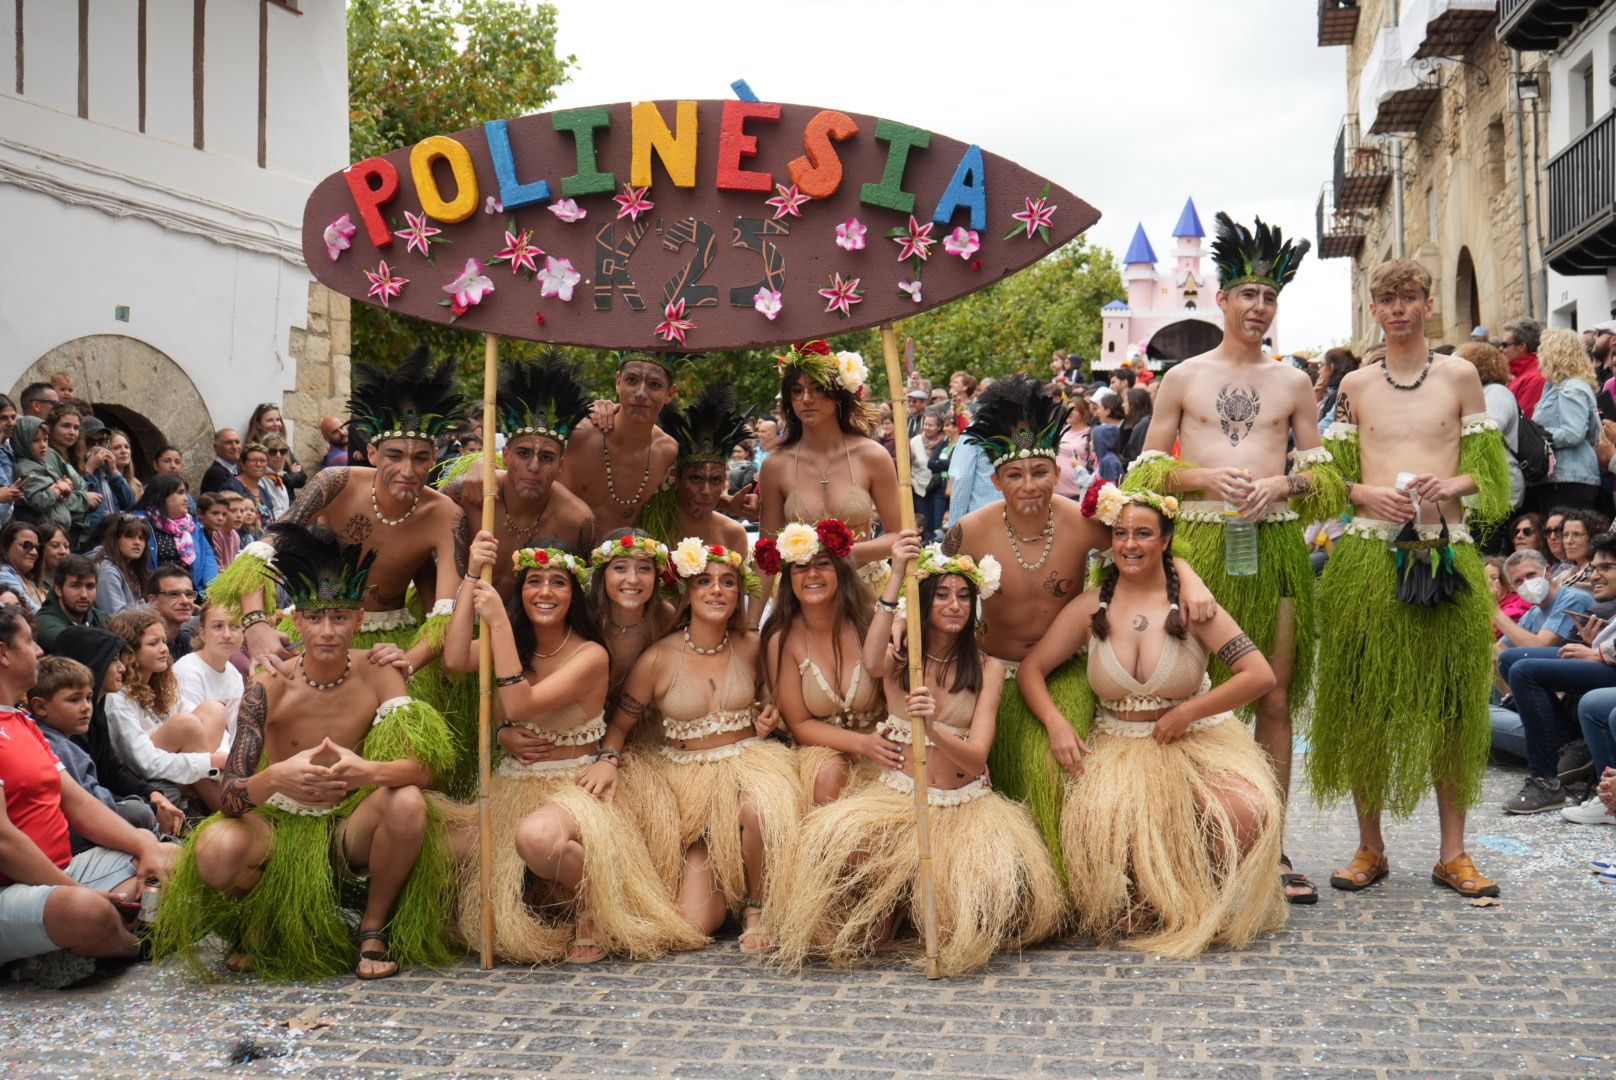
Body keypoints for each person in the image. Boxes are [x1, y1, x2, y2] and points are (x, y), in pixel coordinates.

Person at [1122, 211, 1329, 904]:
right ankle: (1186, 836)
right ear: (1222, 298)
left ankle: (1268, 842)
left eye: (1269, 297)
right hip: (1200, 549)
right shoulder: (1182, 377)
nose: (1258, 307)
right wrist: (1205, 478)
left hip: (1271, 544)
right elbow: (1142, 479)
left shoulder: (1295, 384)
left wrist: (1284, 481)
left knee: (1273, 692)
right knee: (1188, 690)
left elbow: (1328, 478)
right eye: (1247, 294)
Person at [151, 524, 458, 980]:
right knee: (215, 850)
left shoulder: (379, 670)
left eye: (339, 617)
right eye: (315, 618)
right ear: (297, 621)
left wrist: (366, 771)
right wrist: (278, 777)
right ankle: (265, 918)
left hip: (349, 826)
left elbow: (427, 769)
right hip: (278, 827)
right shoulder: (268, 684)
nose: (328, 631)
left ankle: (373, 927)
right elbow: (230, 795)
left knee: (407, 801)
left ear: (358, 620)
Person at [942, 373, 1216, 867]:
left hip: (1061, 673)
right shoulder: (967, 533)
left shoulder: (1086, 524)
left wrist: (1188, 574)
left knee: (1053, 773)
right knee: (991, 784)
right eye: (1016, 474)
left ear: (1059, 469)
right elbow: (932, 592)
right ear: (997, 479)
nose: (1030, 486)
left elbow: (1146, 548)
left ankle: (1068, 882)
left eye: (1040, 472)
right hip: (988, 675)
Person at [1309, 258, 1512, 899]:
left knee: (1454, 706)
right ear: (1375, 310)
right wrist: (1367, 494)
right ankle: (1370, 846)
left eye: (1409, 297)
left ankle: (1454, 853)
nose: (1398, 309)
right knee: (1366, 702)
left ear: (1427, 305)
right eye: (1386, 299)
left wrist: (1453, 483)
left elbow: (1491, 473)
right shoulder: (1355, 387)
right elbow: (1329, 483)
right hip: (1369, 556)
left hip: (1445, 550)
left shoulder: (1460, 376)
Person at [775, 539, 1062, 975]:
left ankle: (918, 899)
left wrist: (934, 731)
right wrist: (896, 576)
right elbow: (871, 661)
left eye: (964, 596)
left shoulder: (986, 669)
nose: (954, 605)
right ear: (923, 603)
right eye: (942, 595)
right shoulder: (901, 659)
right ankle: (893, 895)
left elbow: (976, 754)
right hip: (901, 799)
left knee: (971, 915)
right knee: (834, 842)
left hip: (964, 805)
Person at [1019, 488, 1286, 956]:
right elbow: (1031, 671)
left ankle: (1205, 894)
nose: (1129, 544)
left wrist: (1188, 711)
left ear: (1165, 540)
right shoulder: (1090, 606)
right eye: (1120, 534)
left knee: (1247, 808)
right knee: (1107, 816)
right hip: (1121, 741)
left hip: (1195, 738)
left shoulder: (1193, 605)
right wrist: (1057, 724)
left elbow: (1259, 674)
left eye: (1143, 534)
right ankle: (1147, 896)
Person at [439, 535, 701, 964]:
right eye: (534, 581)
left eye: (558, 582)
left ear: (574, 594)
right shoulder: (513, 648)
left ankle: (594, 909)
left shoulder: (590, 655)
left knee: (537, 839)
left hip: (575, 785)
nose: (545, 591)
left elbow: (522, 701)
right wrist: (471, 578)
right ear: (519, 591)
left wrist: (499, 625)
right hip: (515, 785)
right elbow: (452, 657)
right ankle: (544, 900)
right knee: (446, 844)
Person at [218, 351, 469, 788]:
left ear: (434, 457)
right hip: (320, 629)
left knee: (389, 773)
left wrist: (407, 662)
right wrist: (255, 623)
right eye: (394, 455)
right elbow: (262, 551)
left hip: (388, 648)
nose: (408, 470)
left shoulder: (445, 514)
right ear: (372, 451)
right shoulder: (335, 484)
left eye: (421, 457)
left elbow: (448, 613)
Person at [581, 540, 798, 953]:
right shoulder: (657, 658)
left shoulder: (752, 645)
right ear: (689, 593)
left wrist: (770, 714)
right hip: (686, 781)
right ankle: (722, 872)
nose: (716, 589)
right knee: (693, 924)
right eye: (704, 581)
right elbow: (620, 726)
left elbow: (773, 701)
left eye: (728, 582)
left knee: (760, 807)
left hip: (750, 763)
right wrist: (608, 760)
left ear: (739, 595)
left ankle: (758, 906)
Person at [0, 609, 176, 989]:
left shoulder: (22, 722)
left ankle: (80, 943)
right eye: (29, 641)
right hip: (17, 888)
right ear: (3, 653)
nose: (39, 649)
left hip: (59, 873)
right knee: (85, 909)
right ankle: (134, 943)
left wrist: (144, 845)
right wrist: (76, 890)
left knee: (169, 856)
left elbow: (77, 803)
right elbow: (5, 842)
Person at [759, 519, 895, 807]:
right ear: (789, 577)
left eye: (822, 563)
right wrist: (862, 745)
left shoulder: (870, 623)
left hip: (884, 744)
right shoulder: (782, 639)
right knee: (831, 772)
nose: (812, 574)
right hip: (822, 750)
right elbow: (799, 724)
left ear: (841, 572)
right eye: (800, 566)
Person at [440, 356, 597, 598]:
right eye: (523, 453)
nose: (533, 466)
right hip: (460, 618)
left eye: (546, 457)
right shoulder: (463, 492)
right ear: (505, 456)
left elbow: (583, 591)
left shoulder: (577, 520)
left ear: (561, 465)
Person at [759, 341, 903, 570]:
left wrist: (839, 554)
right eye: (797, 391)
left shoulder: (872, 456)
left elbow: (899, 536)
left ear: (837, 395)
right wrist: (755, 607)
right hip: (802, 595)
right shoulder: (775, 465)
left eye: (818, 388)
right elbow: (767, 553)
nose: (806, 399)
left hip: (864, 593)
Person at [53, 627, 185, 840]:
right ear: (92, 662)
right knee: (140, 811)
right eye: (113, 660)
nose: (123, 668)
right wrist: (151, 807)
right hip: (82, 816)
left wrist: (152, 795)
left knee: (164, 793)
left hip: (103, 797)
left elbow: (112, 769)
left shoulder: (97, 707)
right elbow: (86, 794)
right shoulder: (68, 721)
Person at [27, 656, 163, 848]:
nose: (86, 707)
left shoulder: (63, 739)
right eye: (74, 700)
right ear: (40, 707)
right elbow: (90, 807)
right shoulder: (58, 748)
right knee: (139, 813)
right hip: (78, 843)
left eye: (89, 697)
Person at [103, 609, 230, 813]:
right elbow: (143, 761)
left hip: (186, 767)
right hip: (145, 776)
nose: (164, 649)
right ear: (129, 653)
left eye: (163, 641)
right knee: (186, 724)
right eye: (153, 644)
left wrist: (222, 756)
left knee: (213, 710)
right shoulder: (117, 696)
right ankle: (223, 806)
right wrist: (211, 761)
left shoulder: (162, 684)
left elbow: (207, 726)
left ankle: (204, 791)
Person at [558, 353, 681, 531]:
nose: (640, 393)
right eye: (631, 380)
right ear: (617, 382)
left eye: (654, 385)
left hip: (619, 556)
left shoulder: (667, 451)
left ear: (670, 393)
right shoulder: (578, 433)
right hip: (555, 553)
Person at [646, 383, 751, 556]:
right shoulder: (650, 523)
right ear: (676, 479)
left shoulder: (733, 534)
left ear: (726, 480)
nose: (706, 491)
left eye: (716, 480)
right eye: (695, 479)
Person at [1531, 328, 1603, 513]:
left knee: (1568, 536)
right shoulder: (1558, 385)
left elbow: (1573, 433)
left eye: (1542, 350)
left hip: (1570, 477)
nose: (1538, 356)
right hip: (1565, 476)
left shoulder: (1570, 387)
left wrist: (1537, 435)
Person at [11, 416, 94, 541]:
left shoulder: (44, 462)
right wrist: (57, 489)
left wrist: (63, 488)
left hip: (58, 531)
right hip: (43, 535)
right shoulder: (25, 468)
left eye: (45, 440)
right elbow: (39, 501)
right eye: (36, 441)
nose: (43, 445)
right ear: (23, 442)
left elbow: (59, 491)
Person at [1493, 549, 1594, 648]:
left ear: (1548, 571)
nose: (1527, 583)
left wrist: (1494, 611)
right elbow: (1501, 648)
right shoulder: (1532, 614)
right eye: (1518, 581)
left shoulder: (1572, 599)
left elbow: (1540, 646)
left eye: (1531, 575)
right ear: (1512, 587)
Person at [172, 602, 245, 735]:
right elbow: (192, 733)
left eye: (235, 626)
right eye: (218, 626)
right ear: (203, 634)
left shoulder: (235, 674)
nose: (227, 635)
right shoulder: (188, 670)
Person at [131, 474, 210, 587]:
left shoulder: (192, 525)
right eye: (180, 492)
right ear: (162, 495)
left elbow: (208, 559)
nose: (186, 498)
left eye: (186, 493)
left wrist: (209, 592)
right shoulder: (139, 523)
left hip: (192, 593)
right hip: (155, 593)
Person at [34, 555, 107, 651]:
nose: (84, 595)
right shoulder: (44, 622)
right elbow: (77, 648)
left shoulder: (99, 617)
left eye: (90, 586)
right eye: (76, 586)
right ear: (58, 590)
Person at [90, 513, 150, 618]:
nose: (137, 543)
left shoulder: (130, 568)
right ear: (115, 540)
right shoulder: (107, 571)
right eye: (130, 537)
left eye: (141, 538)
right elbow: (116, 618)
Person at [243, 404, 306, 495]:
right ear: (258, 425)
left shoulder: (283, 447)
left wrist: (283, 477)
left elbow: (301, 478)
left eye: (278, 420)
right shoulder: (253, 450)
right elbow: (259, 476)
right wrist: (287, 474)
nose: (276, 424)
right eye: (270, 420)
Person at [910, 410, 949, 541]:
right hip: (919, 487)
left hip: (937, 487)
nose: (926, 427)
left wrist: (937, 464)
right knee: (924, 522)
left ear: (939, 427)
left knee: (937, 522)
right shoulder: (915, 441)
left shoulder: (945, 442)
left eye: (931, 425)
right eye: (925, 424)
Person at [145, 563, 199, 657]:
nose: (185, 601)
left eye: (189, 594)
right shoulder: (140, 643)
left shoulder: (188, 642)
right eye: (174, 594)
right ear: (153, 601)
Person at [1502, 317, 1545, 418]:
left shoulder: (1535, 378)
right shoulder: (1519, 374)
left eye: (1504, 345)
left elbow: (1523, 421)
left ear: (1521, 346)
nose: (1501, 349)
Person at [1554, 508, 1607, 592]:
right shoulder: (1571, 571)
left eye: (1576, 534)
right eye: (1565, 535)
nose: (1568, 541)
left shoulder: (1593, 570)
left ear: (1593, 538)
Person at [1055, 396, 1094, 502]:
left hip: (1076, 493)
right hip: (1055, 491)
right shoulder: (1063, 430)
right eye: (1068, 409)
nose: (1070, 412)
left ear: (1084, 413)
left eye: (1075, 409)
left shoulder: (1091, 433)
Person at [0, 521, 44, 611]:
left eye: (37, 547)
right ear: (6, 546)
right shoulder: (3, 574)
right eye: (27, 545)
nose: (34, 552)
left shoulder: (27, 579)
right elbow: (31, 610)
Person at [1315, 347, 1359, 427]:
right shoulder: (1331, 391)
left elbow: (1321, 429)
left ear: (1332, 367)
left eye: (1322, 365)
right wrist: (1318, 395)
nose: (1319, 371)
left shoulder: (1337, 394)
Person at [200, 429, 248, 497]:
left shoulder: (238, 469)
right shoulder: (216, 474)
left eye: (237, 442)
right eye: (228, 443)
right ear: (216, 448)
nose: (235, 447)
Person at [258, 435, 295, 522]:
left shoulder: (279, 479)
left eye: (282, 451)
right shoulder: (259, 480)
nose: (278, 455)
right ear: (264, 454)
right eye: (273, 451)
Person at [237, 443, 274, 528]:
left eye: (262, 461)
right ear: (243, 464)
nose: (258, 464)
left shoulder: (263, 491)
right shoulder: (233, 487)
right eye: (253, 460)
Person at [1119, 386, 1154, 470]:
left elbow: (1134, 454)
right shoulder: (1130, 423)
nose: (1123, 405)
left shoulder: (1144, 424)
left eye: (1126, 401)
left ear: (1135, 402)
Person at [106, 430, 142, 503]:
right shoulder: (103, 484)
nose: (124, 451)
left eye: (126, 447)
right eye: (117, 448)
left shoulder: (136, 484)